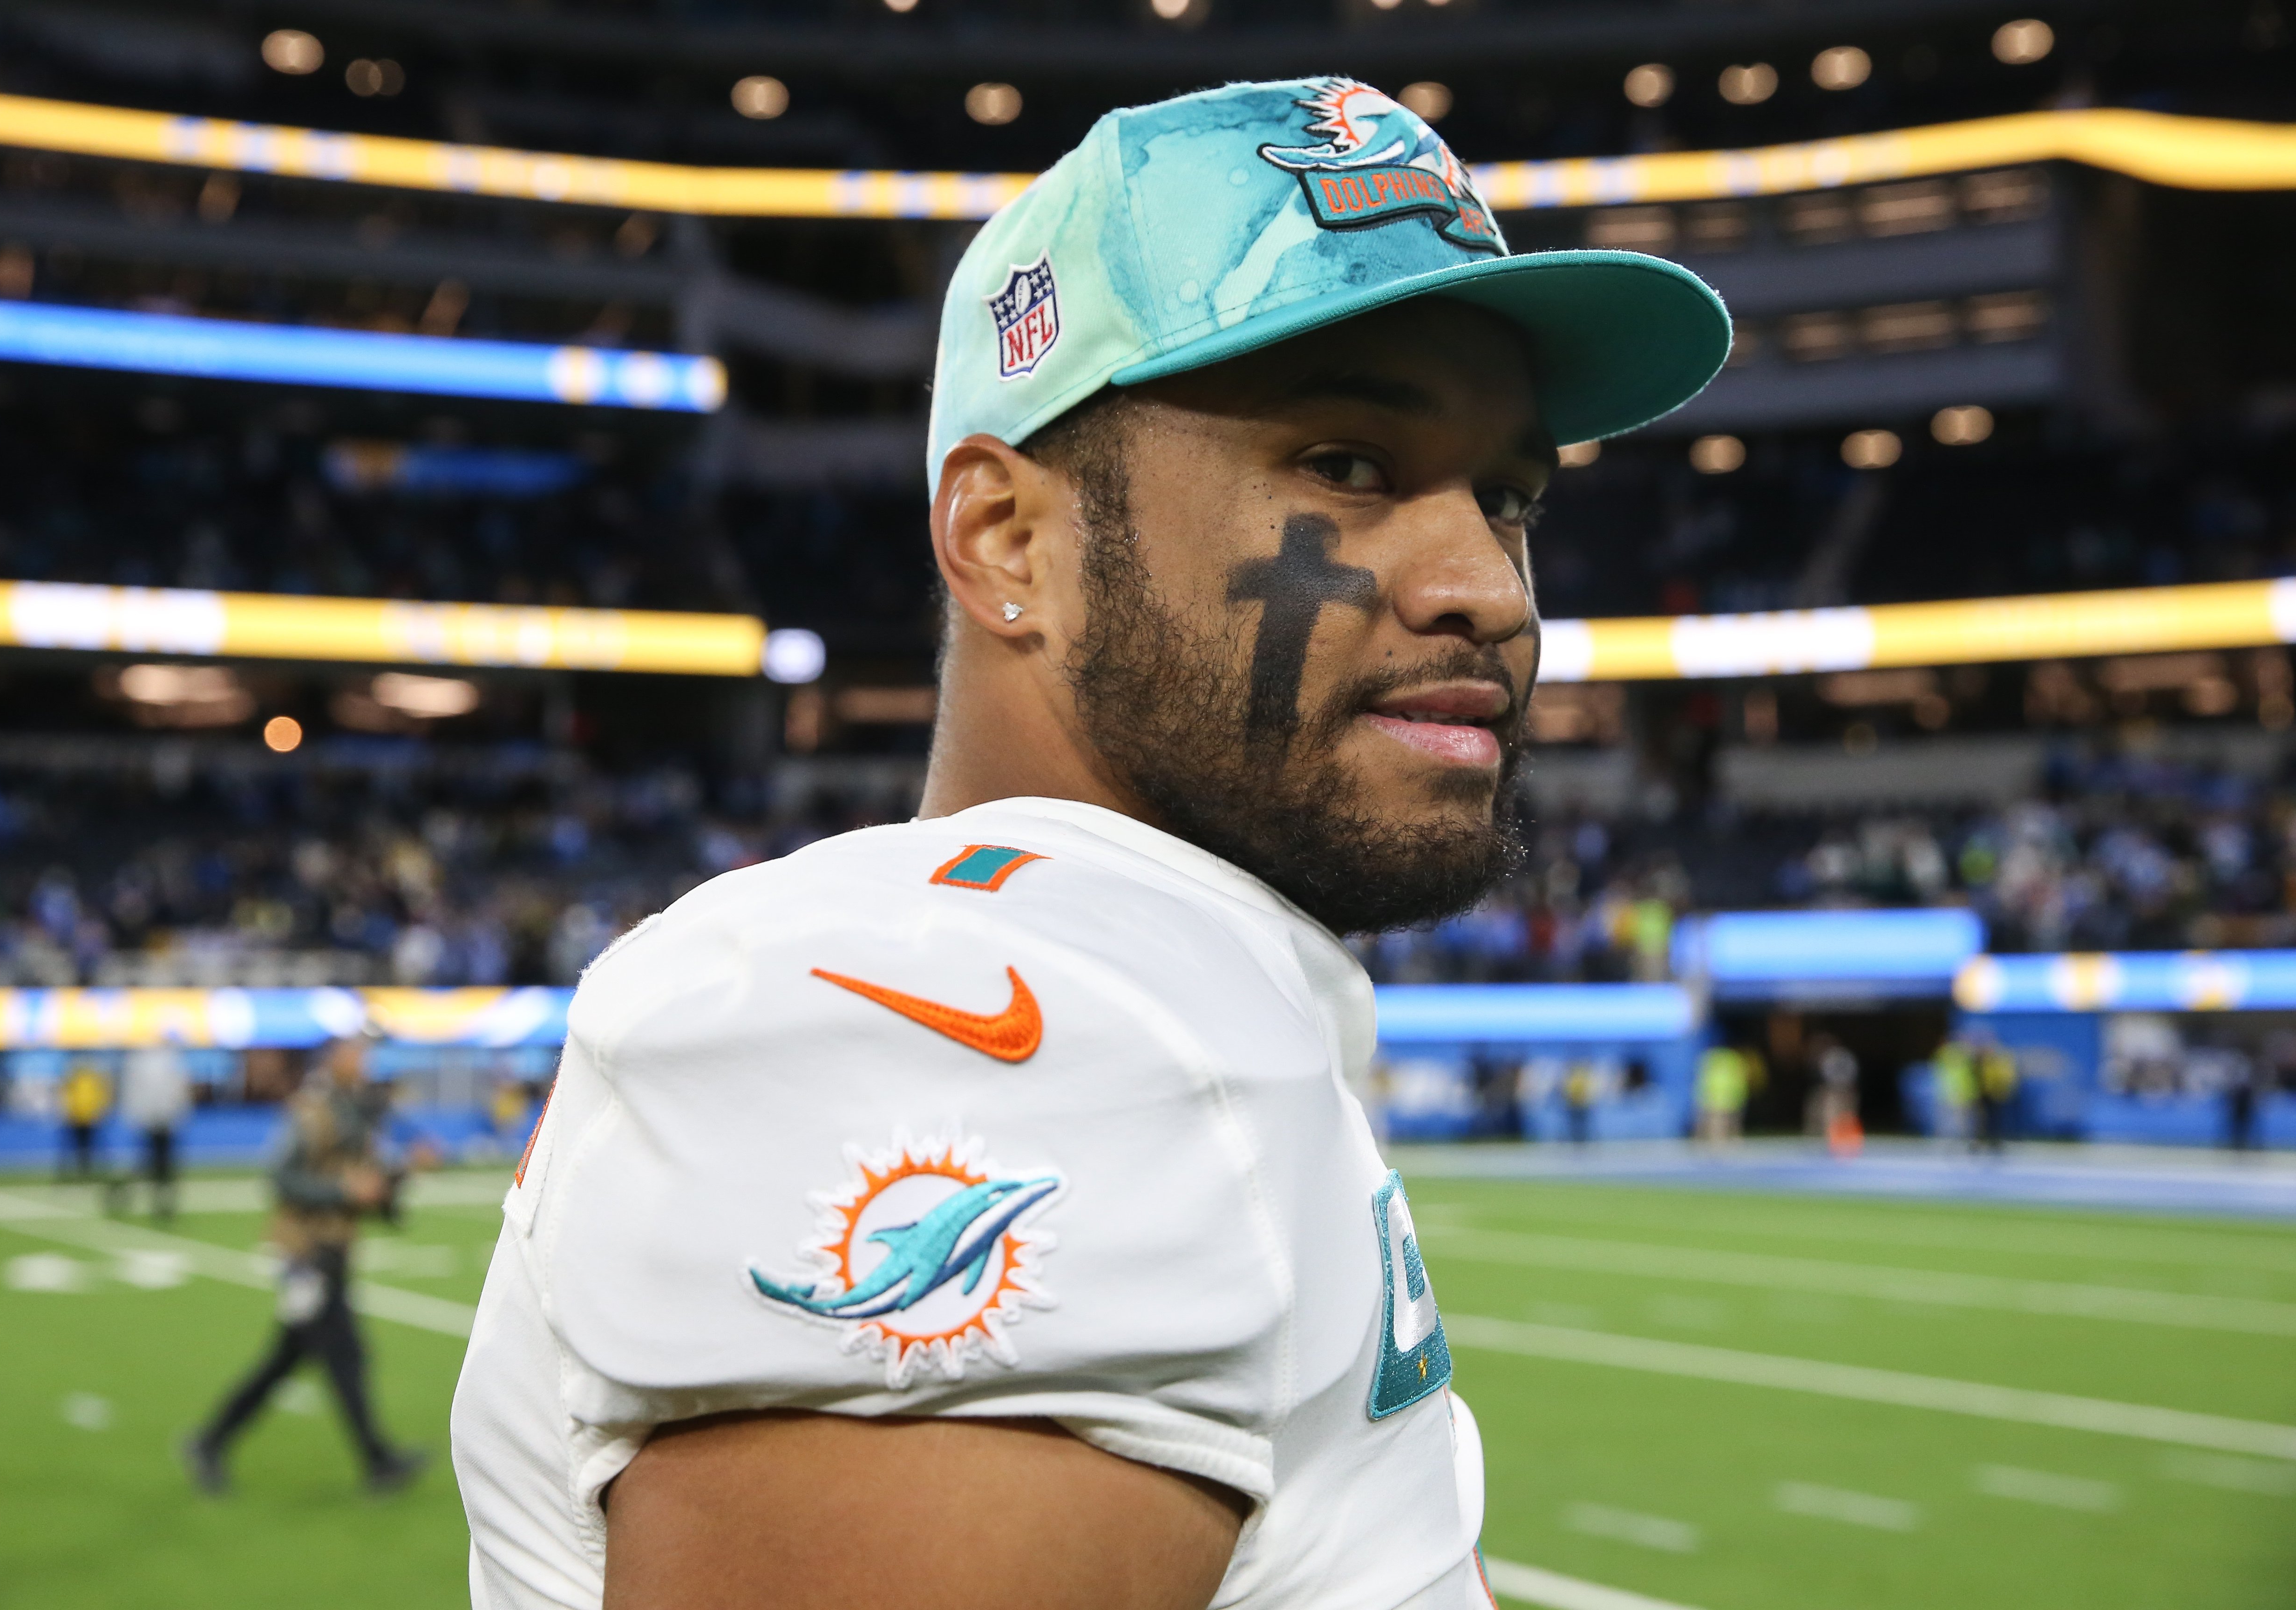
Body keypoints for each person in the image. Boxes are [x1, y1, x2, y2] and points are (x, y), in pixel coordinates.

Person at [451, 77, 1727, 1610]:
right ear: (1009, 539)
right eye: (1348, 464)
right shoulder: (1001, 1025)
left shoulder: (1130, 979)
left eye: (1508, 495)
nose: (1490, 586)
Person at [182, 1032, 426, 1494]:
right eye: (356, 1054)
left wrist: (405, 1172)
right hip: (306, 1253)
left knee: (291, 1360)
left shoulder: (356, 1111)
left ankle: (210, 1442)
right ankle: (378, 1461)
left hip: (332, 1250)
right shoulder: (314, 1110)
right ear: (334, 1059)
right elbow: (281, 1176)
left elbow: (369, 1192)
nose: (364, 1064)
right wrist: (344, 1192)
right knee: (342, 1357)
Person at [109, 1042, 194, 1221]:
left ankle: (160, 1203)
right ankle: (125, 1192)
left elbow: (178, 1090)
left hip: (164, 1119)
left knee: (161, 1165)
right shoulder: (147, 1060)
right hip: (153, 1119)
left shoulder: (166, 1059)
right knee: (152, 1163)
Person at [57, 1058, 114, 1181]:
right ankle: (75, 1174)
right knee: (76, 1147)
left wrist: (100, 1111)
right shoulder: (73, 1078)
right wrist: (68, 1111)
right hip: (76, 1118)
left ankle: (89, 1172)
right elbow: (66, 1096)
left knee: (91, 1147)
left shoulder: (94, 1078)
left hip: (91, 1118)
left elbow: (101, 1095)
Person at [1694, 1044, 1750, 1146]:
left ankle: (1723, 1144)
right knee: (1721, 1122)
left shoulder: (1710, 1058)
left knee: (1723, 1122)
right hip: (1722, 1099)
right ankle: (1721, 1144)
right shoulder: (1733, 1058)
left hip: (1720, 1099)